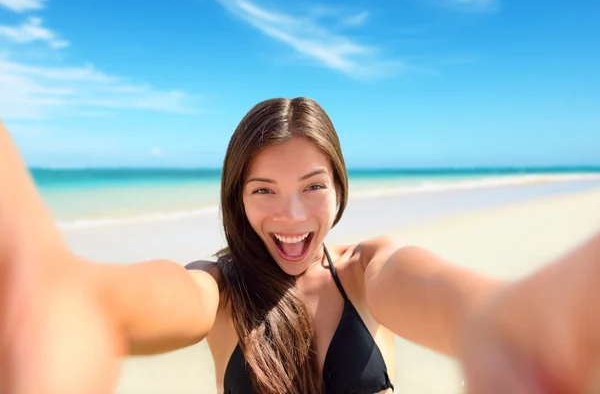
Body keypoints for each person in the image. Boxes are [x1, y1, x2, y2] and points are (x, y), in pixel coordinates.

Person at [0, 97, 599, 394]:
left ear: (340, 188)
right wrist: (79, 299)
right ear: (237, 196)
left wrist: (516, 321)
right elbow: (152, 298)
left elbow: (462, 307)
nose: (291, 216)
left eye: (313, 186)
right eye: (263, 190)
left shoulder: (368, 270)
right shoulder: (217, 286)